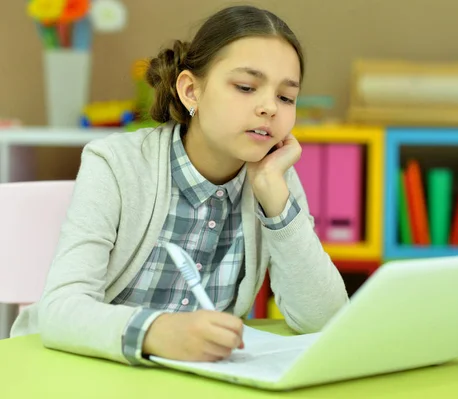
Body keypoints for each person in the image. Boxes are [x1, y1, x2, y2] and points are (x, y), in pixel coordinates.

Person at [11, 4, 348, 366]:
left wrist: (275, 199)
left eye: (286, 97)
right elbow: (61, 309)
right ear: (191, 91)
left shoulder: (273, 176)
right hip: (78, 367)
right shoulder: (115, 163)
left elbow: (325, 320)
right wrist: (157, 332)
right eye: (246, 87)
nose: (270, 107)